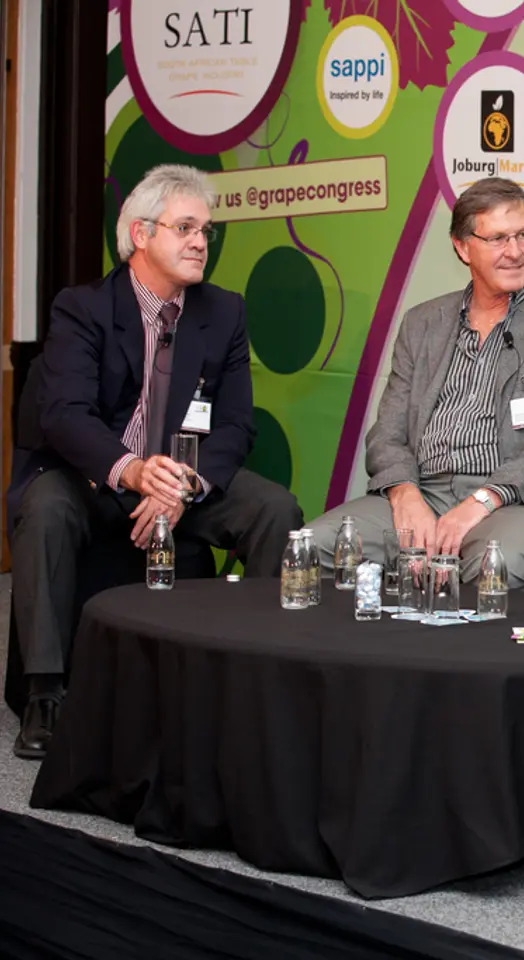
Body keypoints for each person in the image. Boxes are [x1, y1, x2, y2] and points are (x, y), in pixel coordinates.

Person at [7, 164, 303, 760]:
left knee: (276, 509)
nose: (201, 242)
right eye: (186, 228)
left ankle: (253, 676)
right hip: (91, 476)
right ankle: (46, 693)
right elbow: (63, 414)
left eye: (207, 231)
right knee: (43, 509)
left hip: (179, 484)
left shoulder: (223, 313)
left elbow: (236, 425)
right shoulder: (83, 308)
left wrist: (182, 485)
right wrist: (134, 471)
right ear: (141, 234)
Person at [308, 178, 524, 593]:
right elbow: (387, 433)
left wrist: (483, 499)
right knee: (316, 548)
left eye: (523, 235)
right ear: (463, 247)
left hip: (521, 500)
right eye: (498, 238)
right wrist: (404, 495)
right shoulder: (423, 323)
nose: (516, 252)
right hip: (424, 492)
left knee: (493, 565)